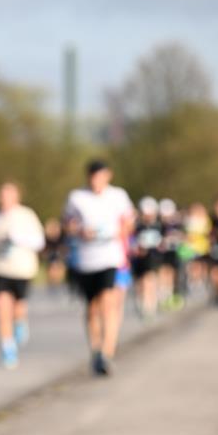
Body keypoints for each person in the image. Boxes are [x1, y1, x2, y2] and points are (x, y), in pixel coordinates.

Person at [62, 160, 135, 376]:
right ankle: (95, 350)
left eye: (100, 176)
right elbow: (68, 223)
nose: (96, 181)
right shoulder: (76, 197)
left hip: (110, 258)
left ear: (108, 176)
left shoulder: (118, 196)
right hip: (85, 260)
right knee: (92, 308)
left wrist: (119, 232)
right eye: (93, 176)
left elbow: (129, 222)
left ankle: (107, 352)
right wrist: (80, 231)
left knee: (108, 303)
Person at [0, 180, 45, 368]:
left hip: (22, 269)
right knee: (1, 307)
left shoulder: (26, 215)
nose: (3, 198)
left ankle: (20, 323)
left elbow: (39, 242)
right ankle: (7, 348)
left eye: (8, 194)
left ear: (16, 196)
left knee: (18, 308)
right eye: (1, 194)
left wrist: (18, 239)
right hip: (1, 268)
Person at [131, 196, 163, 320]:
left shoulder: (159, 226)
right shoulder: (137, 226)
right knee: (140, 282)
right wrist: (136, 248)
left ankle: (149, 306)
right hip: (139, 259)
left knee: (149, 280)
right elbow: (131, 240)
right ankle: (142, 301)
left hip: (153, 257)